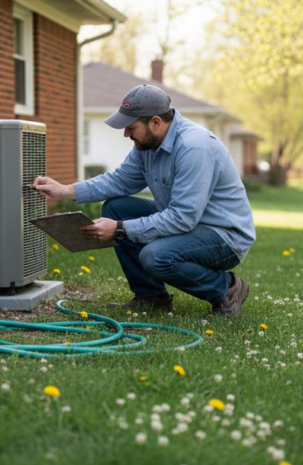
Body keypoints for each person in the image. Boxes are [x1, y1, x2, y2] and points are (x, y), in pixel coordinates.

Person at [33, 85, 255, 317]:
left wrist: (119, 229)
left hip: (224, 236)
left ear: (156, 123)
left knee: (155, 256)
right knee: (117, 208)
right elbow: (119, 181)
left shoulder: (194, 148)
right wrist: (64, 190)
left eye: (131, 127)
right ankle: (151, 297)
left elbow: (182, 218)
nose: (126, 134)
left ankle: (226, 289)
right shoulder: (148, 145)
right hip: (190, 224)